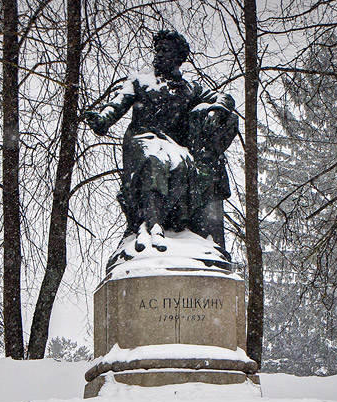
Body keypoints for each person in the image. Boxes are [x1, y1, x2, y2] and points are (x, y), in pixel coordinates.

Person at [85, 29, 238, 252]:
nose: (158, 55)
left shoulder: (189, 88)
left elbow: (224, 97)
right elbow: (117, 103)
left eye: (165, 50)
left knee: (181, 165)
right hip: (142, 137)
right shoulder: (139, 81)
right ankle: (151, 225)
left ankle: (171, 223)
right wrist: (102, 119)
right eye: (157, 50)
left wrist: (217, 109)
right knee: (154, 162)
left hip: (170, 144)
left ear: (178, 57)